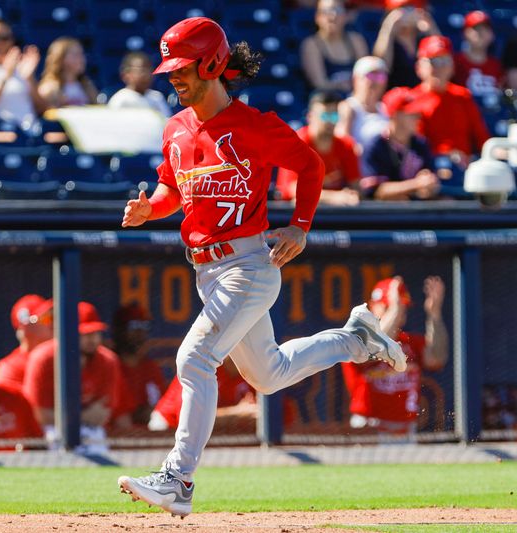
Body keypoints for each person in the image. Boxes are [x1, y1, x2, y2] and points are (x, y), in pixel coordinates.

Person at [116, 17, 407, 517]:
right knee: (270, 374)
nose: (173, 77)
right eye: (171, 69)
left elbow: (311, 166)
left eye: (183, 68)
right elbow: (172, 190)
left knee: (194, 359)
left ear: (211, 65)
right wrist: (151, 208)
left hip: (248, 264)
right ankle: (357, 339)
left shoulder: (254, 126)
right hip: (207, 271)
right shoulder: (176, 128)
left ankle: (177, 479)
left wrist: (300, 224)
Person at [342, 276, 449, 436]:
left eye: (402, 307)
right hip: (368, 427)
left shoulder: (410, 342)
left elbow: (437, 358)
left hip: (405, 427)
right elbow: (375, 348)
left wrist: (434, 315)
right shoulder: (356, 338)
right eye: (388, 307)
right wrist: (396, 308)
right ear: (371, 308)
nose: (399, 312)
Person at [22, 301, 132, 432]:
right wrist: (82, 417)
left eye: (96, 333)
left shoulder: (108, 360)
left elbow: (102, 414)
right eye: (85, 334)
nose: (93, 339)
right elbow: (39, 415)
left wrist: (73, 418)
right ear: (67, 334)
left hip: (90, 428)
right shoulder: (43, 358)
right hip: (49, 431)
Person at [410, 35, 490, 166]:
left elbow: (482, 138)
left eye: (445, 61)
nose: (439, 68)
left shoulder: (463, 96)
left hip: (464, 168)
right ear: (419, 67)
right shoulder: (410, 101)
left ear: (452, 66)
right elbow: (413, 148)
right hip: (427, 170)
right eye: (433, 61)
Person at [275, 90, 361, 206]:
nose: (330, 121)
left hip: (335, 216)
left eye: (334, 116)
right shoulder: (295, 145)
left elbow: (356, 188)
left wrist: (351, 195)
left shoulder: (346, 146)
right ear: (310, 117)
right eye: (325, 116)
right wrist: (333, 197)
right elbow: (292, 189)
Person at [359, 86, 440, 200]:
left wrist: (429, 185)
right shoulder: (376, 145)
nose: (418, 118)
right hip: (384, 216)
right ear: (395, 115)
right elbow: (377, 191)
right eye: (412, 114)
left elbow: (430, 182)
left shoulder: (420, 143)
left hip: (418, 214)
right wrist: (416, 184)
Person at [148, 358, 255, 432]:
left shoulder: (252, 374)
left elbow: (253, 411)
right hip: (167, 426)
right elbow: (189, 418)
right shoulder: (203, 368)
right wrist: (236, 412)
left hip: (211, 431)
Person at [110, 303, 166, 427]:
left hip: (151, 438)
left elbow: (164, 411)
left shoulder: (151, 368)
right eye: (134, 326)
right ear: (120, 330)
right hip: (115, 439)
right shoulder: (108, 366)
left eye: (144, 326)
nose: (140, 333)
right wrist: (140, 413)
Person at [299, 0, 368, 93]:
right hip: (327, 101)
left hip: (355, 98)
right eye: (326, 11)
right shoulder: (311, 44)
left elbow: (366, 74)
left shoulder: (356, 40)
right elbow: (319, 84)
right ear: (317, 17)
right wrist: (340, 86)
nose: (332, 16)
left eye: (338, 10)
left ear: (346, 16)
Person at [373, 0, 441, 89]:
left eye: (412, 8)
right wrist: (388, 27)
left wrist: (430, 25)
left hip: (422, 95)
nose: (408, 13)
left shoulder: (423, 39)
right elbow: (382, 66)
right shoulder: (389, 41)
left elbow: (443, 57)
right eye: (403, 8)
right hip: (396, 96)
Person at [0, 294, 53, 391]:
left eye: (51, 317)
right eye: (45, 318)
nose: (52, 323)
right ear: (25, 328)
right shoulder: (10, 368)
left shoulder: (59, 354)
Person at [336, 56, 390, 151]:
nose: (375, 82)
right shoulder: (348, 107)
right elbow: (341, 143)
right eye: (370, 76)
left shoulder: (385, 108)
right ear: (355, 79)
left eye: (380, 77)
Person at [452, 11, 505, 98]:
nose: (481, 33)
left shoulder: (497, 66)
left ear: (492, 35)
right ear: (465, 33)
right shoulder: (456, 62)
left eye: (485, 29)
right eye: (476, 29)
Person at [107, 52, 173, 118]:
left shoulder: (157, 97)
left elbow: (166, 121)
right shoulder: (120, 99)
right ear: (126, 74)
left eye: (149, 70)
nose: (145, 75)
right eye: (141, 71)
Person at [38, 37, 98, 108]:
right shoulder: (49, 89)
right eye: (75, 55)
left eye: (82, 54)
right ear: (60, 58)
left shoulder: (88, 87)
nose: (81, 59)